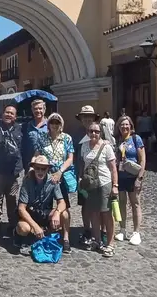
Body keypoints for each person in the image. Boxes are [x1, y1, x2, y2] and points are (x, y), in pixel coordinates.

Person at [34, 113, 75, 253]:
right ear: (48, 124)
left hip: (60, 178)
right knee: (43, 207)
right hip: (45, 177)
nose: (54, 125)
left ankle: (66, 238)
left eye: (57, 123)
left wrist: (60, 172)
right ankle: (44, 233)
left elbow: (70, 158)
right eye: (52, 122)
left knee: (63, 208)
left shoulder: (67, 138)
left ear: (61, 125)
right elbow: (37, 154)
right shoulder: (42, 137)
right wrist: (32, 168)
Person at [15, 155, 68, 256]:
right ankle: (21, 236)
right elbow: (21, 209)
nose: (40, 171)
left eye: (43, 169)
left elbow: (62, 202)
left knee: (64, 214)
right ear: (33, 168)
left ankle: (60, 239)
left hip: (44, 213)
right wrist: (35, 226)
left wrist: (57, 213)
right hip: (30, 214)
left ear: (47, 169)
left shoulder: (52, 181)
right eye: (37, 168)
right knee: (24, 228)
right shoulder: (27, 181)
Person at [79, 122, 118, 258]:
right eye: (91, 131)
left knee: (106, 214)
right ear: (88, 132)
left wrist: (115, 185)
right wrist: (80, 179)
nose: (94, 133)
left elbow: (113, 168)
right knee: (94, 213)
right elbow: (83, 164)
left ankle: (110, 244)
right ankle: (97, 240)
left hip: (104, 183)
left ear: (101, 133)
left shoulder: (107, 147)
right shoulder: (84, 146)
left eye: (96, 131)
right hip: (90, 185)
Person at [0, 105, 23, 236]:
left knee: (12, 198)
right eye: (7, 112)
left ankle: (12, 223)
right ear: (2, 114)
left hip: (13, 171)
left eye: (11, 113)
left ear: (15, 116)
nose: (9, 115)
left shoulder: (20, 129)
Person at [114, 115, 146, 246]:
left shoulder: (135, 139)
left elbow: (142, 160)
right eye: (122, 124)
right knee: (122, 203)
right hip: (121, 176)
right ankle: (122, 229)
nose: (124, 127)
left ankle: (136, 232)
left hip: (133, 177)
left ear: (131, 126)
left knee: (135, 203)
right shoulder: (118, 140)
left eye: (126, 124)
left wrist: (140, 178)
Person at [75, 105, 100, 249]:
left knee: (99, 205)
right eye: (84, 116)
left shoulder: (100, 133)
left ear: (94, 118)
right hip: (83, 177)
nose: (87, 119)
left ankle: (100, 231)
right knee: (85, 204)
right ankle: (87, 229)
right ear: (81, 119)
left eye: (89, 116)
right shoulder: (77, 135)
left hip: (98, 177)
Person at [21, 99, 48, 171]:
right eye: (35, 109)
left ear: (44, 109)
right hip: (30, 164)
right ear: (32, 110)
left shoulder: (50, 125)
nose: (38, 111)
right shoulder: (27, 126)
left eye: (40, 108)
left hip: (46, 164)